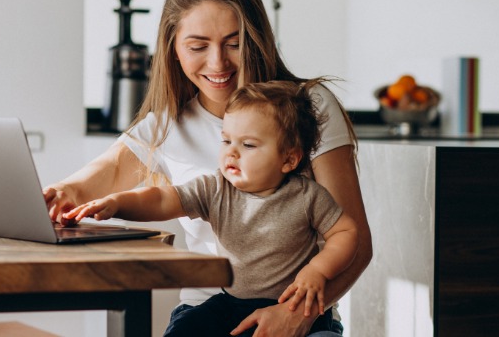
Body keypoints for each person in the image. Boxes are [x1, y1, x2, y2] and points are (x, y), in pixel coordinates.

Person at [45, 0, 372, 336]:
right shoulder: (166, 124)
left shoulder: (309, 107)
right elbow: (92, 182)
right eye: (198, 46)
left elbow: (354, 242)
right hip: (208, 310)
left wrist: (298, 316)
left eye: (235, 44)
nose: (218, 63)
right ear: (174, 48)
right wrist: (63, 193)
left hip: (300, 314)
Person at [62, 79, 359, 336]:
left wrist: (318, 271)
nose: (231, 151)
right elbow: (162, 199)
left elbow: (347, 232)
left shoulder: (308, 196)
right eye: (226, 140)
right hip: (231, 303)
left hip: (297, 306)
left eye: (249, 145)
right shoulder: (215, 188)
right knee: (188, 328)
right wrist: (117, 203)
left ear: (289, 159)